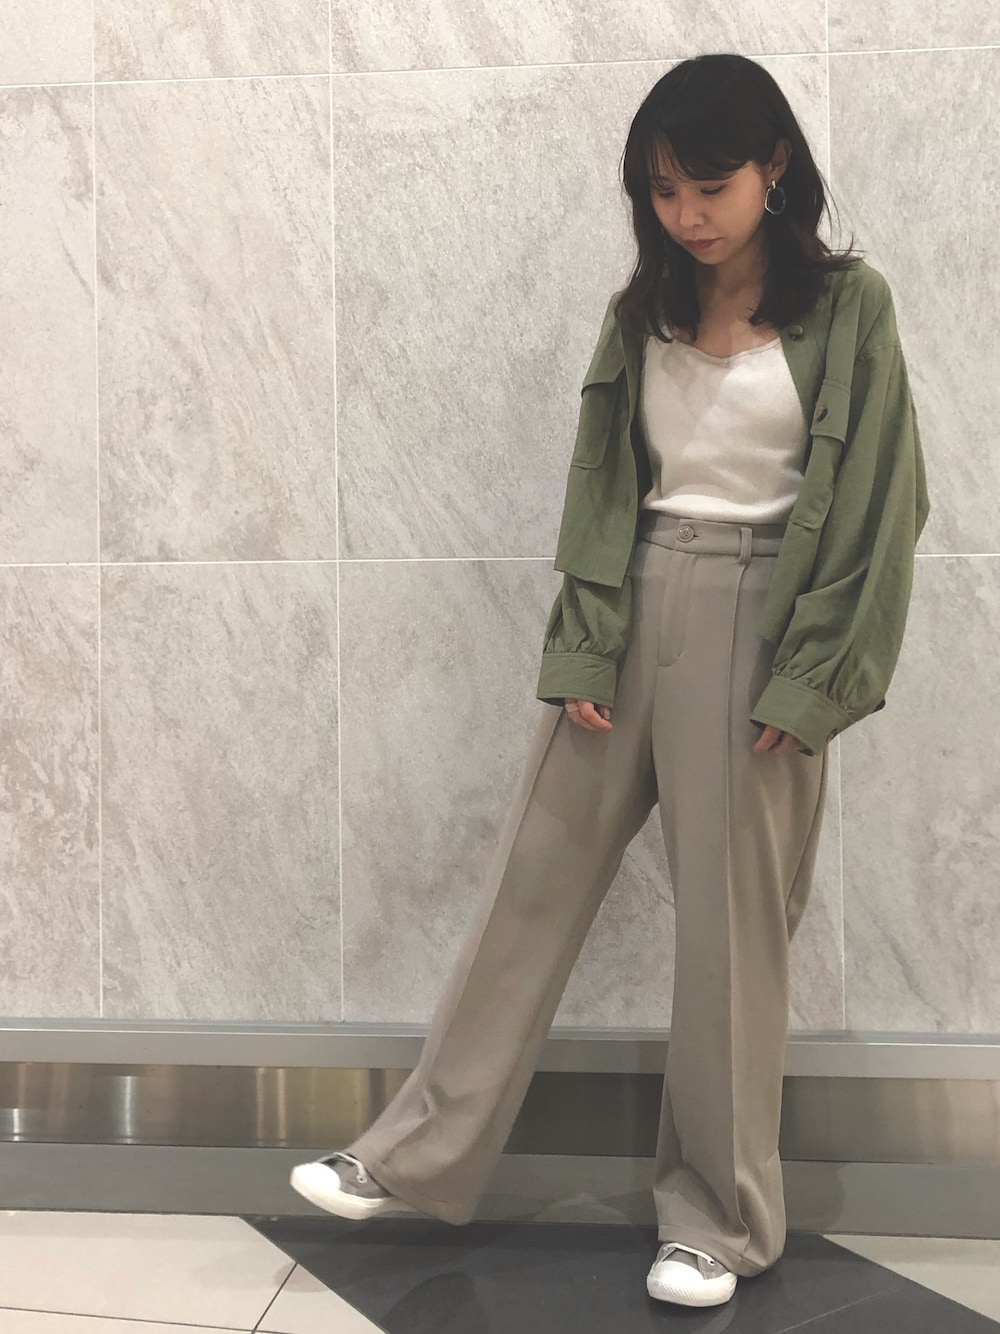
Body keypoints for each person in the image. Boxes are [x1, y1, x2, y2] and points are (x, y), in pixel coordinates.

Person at [289, 52, 929, 1310]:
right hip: (632, 600)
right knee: (529, 888)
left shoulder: (851, 306)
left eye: (708, 186)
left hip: (764, 617)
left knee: (731, 937)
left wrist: (812, 682)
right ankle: (410, 1155)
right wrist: (585, 638)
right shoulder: (641, 311)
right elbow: (600, 484)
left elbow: (881, 502)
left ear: (774, 168)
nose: (685, 214)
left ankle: (718, 1220)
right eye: (662, 191)